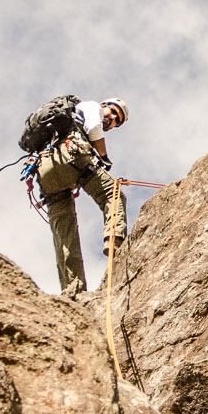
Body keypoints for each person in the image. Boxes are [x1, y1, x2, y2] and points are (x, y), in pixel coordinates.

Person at [35, 98, 129, 296]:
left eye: (116, 120)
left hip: (46, 171)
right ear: (104, 105)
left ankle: (73, 291)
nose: (111, 118)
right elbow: (94, 127)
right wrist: (103, 157)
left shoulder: (68, 118)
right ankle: (115, 239)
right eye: (112, 112)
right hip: (72, 156)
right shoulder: (91, 106)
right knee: (113, 193)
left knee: (65, 234)